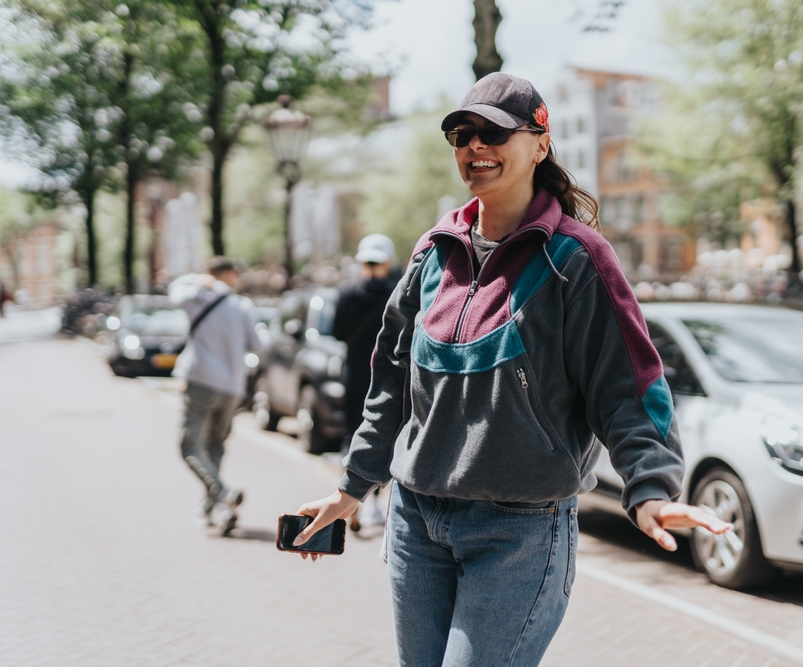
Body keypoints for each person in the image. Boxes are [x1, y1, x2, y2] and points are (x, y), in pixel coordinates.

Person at [291, 73, 730, 666]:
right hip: (416, 521)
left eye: (494, 133)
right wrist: (353, 487)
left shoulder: (576, 259)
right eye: (462, 134)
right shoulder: (432, 253)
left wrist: (649, 489)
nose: (475, 147)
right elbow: (392, 381)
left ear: (540, 145)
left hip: (519, 532)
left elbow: (628, 387)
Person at [169, 257, 264, 534]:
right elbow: (259, 345)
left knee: (189, 447)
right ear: (231, 276)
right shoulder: (242, 306)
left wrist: (197, 281)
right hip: (232, 388)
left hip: (201, 382)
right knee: (215, 446)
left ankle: (222, 493)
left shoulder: (196, 297)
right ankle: (211, 508)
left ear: (208, 274)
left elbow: (174, 290)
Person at [332, 233, 399, 531]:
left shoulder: (347, 293)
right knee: (386, 436)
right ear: (388, 263)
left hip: (355, 376)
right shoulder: (399, 293)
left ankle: (350, 499)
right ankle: (374, 503)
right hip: (389, 378)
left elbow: (337, 333)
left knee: (352, 434)